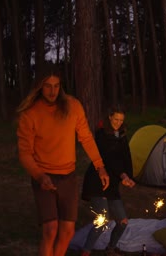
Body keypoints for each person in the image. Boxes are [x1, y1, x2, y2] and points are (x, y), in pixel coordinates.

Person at [16, 65, 110, 256]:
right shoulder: (30, 114)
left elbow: (86, 137)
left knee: (67, 232)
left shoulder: (73, 106)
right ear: (40, 87)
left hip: (68, 177)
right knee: (50, 230)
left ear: (61, 86)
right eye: (48, 86)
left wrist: (100, 166)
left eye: (56, 86)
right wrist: (39, 176)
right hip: (44, 177)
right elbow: (24, 152)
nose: (52, 91)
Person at [80, 106, 136, 256]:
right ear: (110, 117)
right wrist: (123, 175)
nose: (118, 122)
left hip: (112, 185)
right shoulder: (101, 135)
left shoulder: (122, 135)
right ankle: (86, 251)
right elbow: (108, 159)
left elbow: (126, 157)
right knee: (102, 220)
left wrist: (129, 176)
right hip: (97, 181)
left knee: (123, 221)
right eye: (116, 119)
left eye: (121, 120)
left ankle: (110, 248)